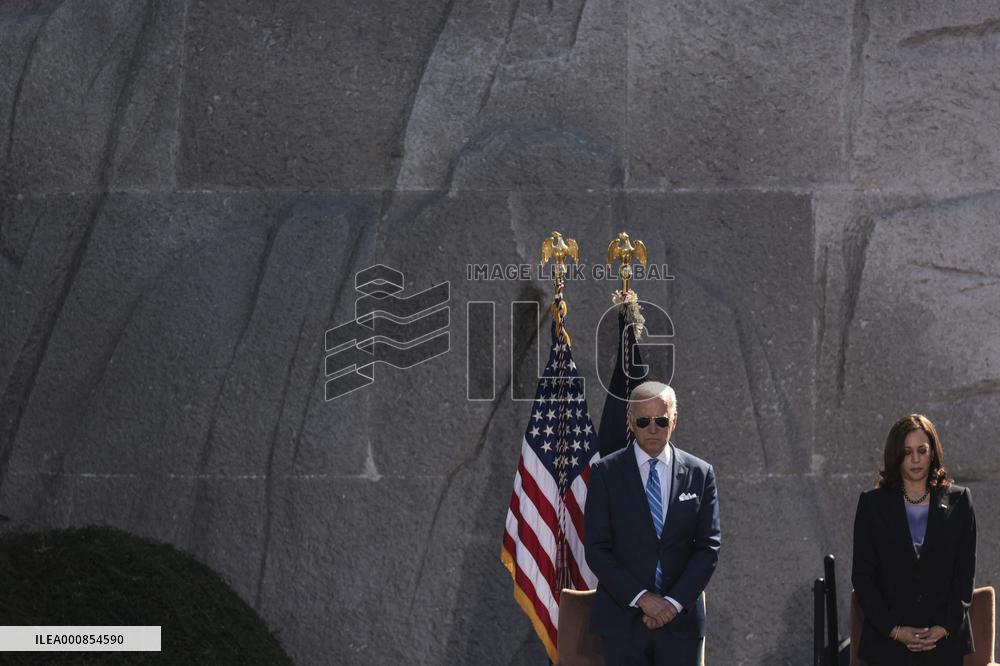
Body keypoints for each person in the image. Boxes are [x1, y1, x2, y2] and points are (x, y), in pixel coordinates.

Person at [584, 381, 721, 665]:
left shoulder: (700, 473)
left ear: (674, 420)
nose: (653, 429)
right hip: (622, 623)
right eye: (644, 421)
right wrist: (643, 598)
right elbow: (597, 549)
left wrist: (671, 604)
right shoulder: (605, 473)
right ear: (630, 422)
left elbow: (708, 548)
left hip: (681, 624)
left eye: (661, 420)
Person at [852, 414, 977, 666]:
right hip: (887, 645)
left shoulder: (960, 501)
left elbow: (965, 571)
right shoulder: (871, 504)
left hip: (944, 642)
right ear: (895, 455)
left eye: (922, 450)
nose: (916, 459)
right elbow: (862, 576)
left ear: (933, 452)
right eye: (907, 452)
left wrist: (944, 626)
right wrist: (895, 630)